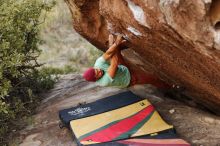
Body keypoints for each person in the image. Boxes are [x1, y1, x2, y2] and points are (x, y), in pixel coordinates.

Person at [83, 34, 172, 89]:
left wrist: (113, 47)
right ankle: (170, 86)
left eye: (96, 69)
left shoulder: (98, 64)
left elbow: (107, 54)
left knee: (112, 53)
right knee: (152, 78)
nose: (99, 70)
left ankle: (113, 46)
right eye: (97, 73)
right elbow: (113, 64)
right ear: (96, 79)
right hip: (129, 79)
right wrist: (116, 44)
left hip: (121, 68)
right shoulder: (104, 82)